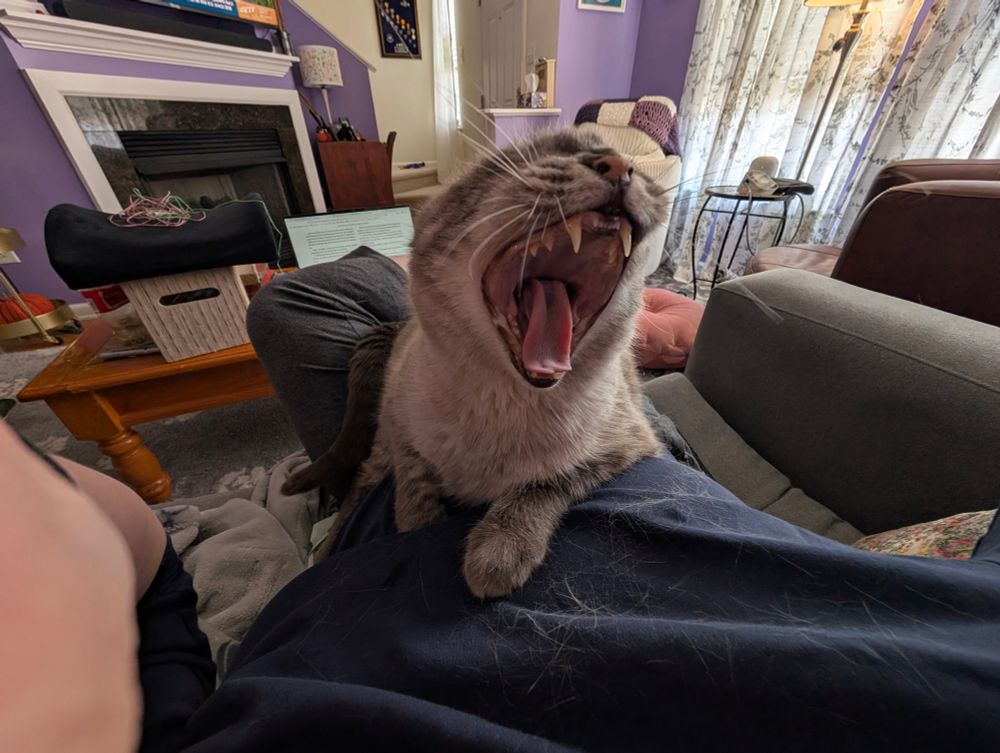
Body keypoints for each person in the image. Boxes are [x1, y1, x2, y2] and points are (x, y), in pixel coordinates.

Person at [2, 248, 999, 753]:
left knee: (314, 302)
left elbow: (139, 581)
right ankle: (605, 340)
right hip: (642, 481)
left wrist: (66, 536)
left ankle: (554, 324)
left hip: (405, 514)